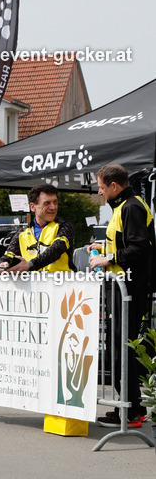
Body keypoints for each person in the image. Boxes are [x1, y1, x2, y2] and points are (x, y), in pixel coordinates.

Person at [89, 163, 155, 428]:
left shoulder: (131, 207)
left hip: (130, 289)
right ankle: (129, 408)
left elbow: (139, 249)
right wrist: (103, 247)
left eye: (101, 187)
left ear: (114, 186)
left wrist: (108, 258)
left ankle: (132, 411)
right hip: (124, 288)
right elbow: (128, 243)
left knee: (121, 350)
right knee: (120, 349)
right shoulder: (125, 207)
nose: (100, 192)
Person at [0, 185, 74, 274]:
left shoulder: (64, 226)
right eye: (47, 203)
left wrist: (30, 265)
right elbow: (7, 256)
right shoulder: (22, 232)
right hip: (34, 286)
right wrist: (2, 266)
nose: (53, 207)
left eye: (55, 202)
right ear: (33, 207)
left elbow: (57, 249)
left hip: (62, 285)